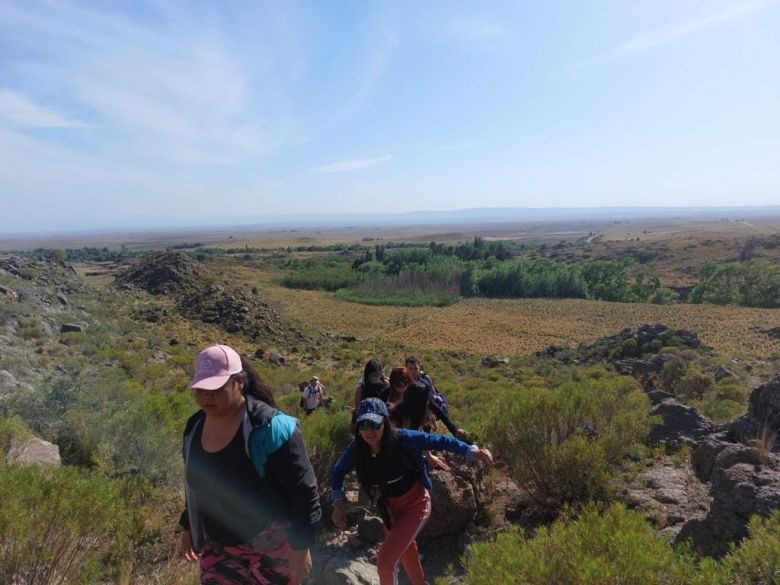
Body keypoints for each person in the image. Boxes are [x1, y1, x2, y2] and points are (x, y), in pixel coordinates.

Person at [178, 344, 321, 585]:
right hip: (219, 545)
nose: (206, 395)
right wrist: (187, 526)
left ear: (240, 382)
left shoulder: (271, 429)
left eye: (215, 387)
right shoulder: (194, 429)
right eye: (201, 388)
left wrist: (301, 546)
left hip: (272, 547)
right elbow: (199, 485)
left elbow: (304, 490)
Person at [330, 398, 493, 585]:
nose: (369, 430)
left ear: (384, 421)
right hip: (389, 508)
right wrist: (338, 503)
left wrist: (471, 451)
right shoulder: (357, 448)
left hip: (416, 504)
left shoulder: (402, 438)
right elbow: (338, 472)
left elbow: (438, 441)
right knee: (405, 549)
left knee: (385, 562)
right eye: (363, 424)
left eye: (374, 423)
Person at [404, 356, 466, 440]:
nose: (413, 372)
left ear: (419, 369)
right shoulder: (401, 381)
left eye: (415, 368)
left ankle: (426, 447)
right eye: (410, 368)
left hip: (425, 410)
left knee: (427, 416)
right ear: (406, 369)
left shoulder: (424, 383)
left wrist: (453, 429)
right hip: (407, 412)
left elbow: (433, 404)